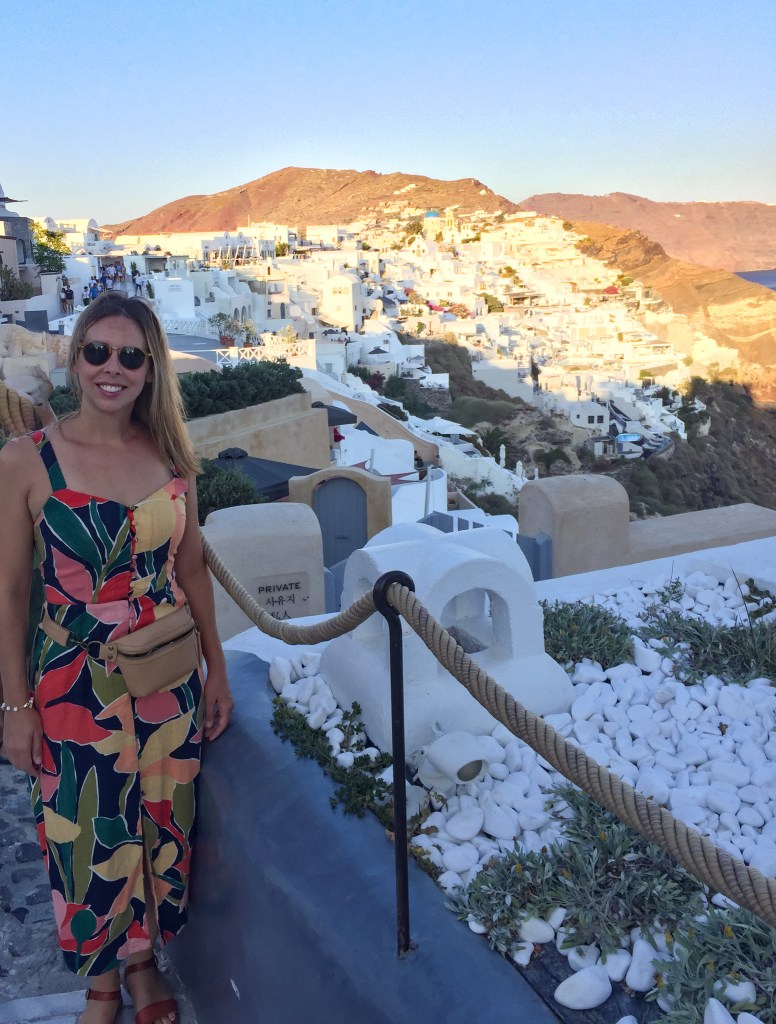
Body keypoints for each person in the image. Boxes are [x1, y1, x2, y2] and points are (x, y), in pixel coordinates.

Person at [0, 292, 233, 1024]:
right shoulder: (27, 460)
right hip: (74, 683)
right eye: (98, 351)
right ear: (74, 361)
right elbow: (9, 591)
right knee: (84, 830)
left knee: (161, 825)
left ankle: (142, 967)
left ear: (150, 369)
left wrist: (219, 671)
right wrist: (15, 706)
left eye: (131, 356)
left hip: (166, 679)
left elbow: (191, 569)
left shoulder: (171, 454)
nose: (113, 367)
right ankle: (105, 985)